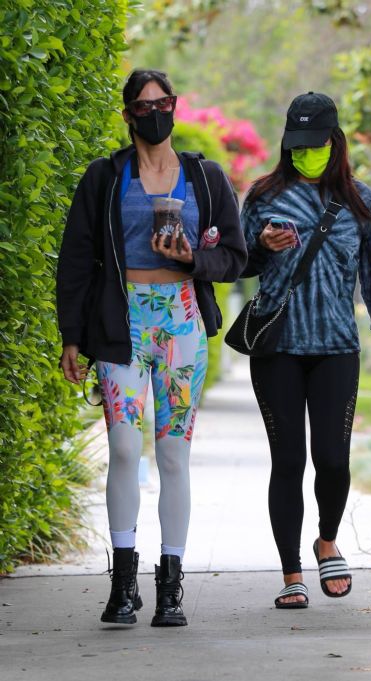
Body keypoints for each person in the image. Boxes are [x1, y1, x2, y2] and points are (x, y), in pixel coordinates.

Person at [57, 69, 247, 626]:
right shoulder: (105, 178)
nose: (154, 113)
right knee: (121, 447)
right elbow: (76, 259)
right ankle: (122, 582)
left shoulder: (205, 178)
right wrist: (73, 335)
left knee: (172, 455)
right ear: (127, 116)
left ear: (175, 105)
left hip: (183, 326)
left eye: (161, 103)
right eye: (142, 107)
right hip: (122, 324)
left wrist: (192, 258)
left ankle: (170, 585)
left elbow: (234, 257)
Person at [240, 92, 371, 609]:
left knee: (332, 459)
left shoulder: (361, 201)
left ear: (334, 142)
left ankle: (327, 539)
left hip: (336, 346)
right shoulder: (264, 196)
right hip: (278, 347)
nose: (306, 153)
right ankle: (291, 573)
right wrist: (262, 248)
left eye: (315, 144)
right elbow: (237, 264)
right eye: (298, 145)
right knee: (287, 459)